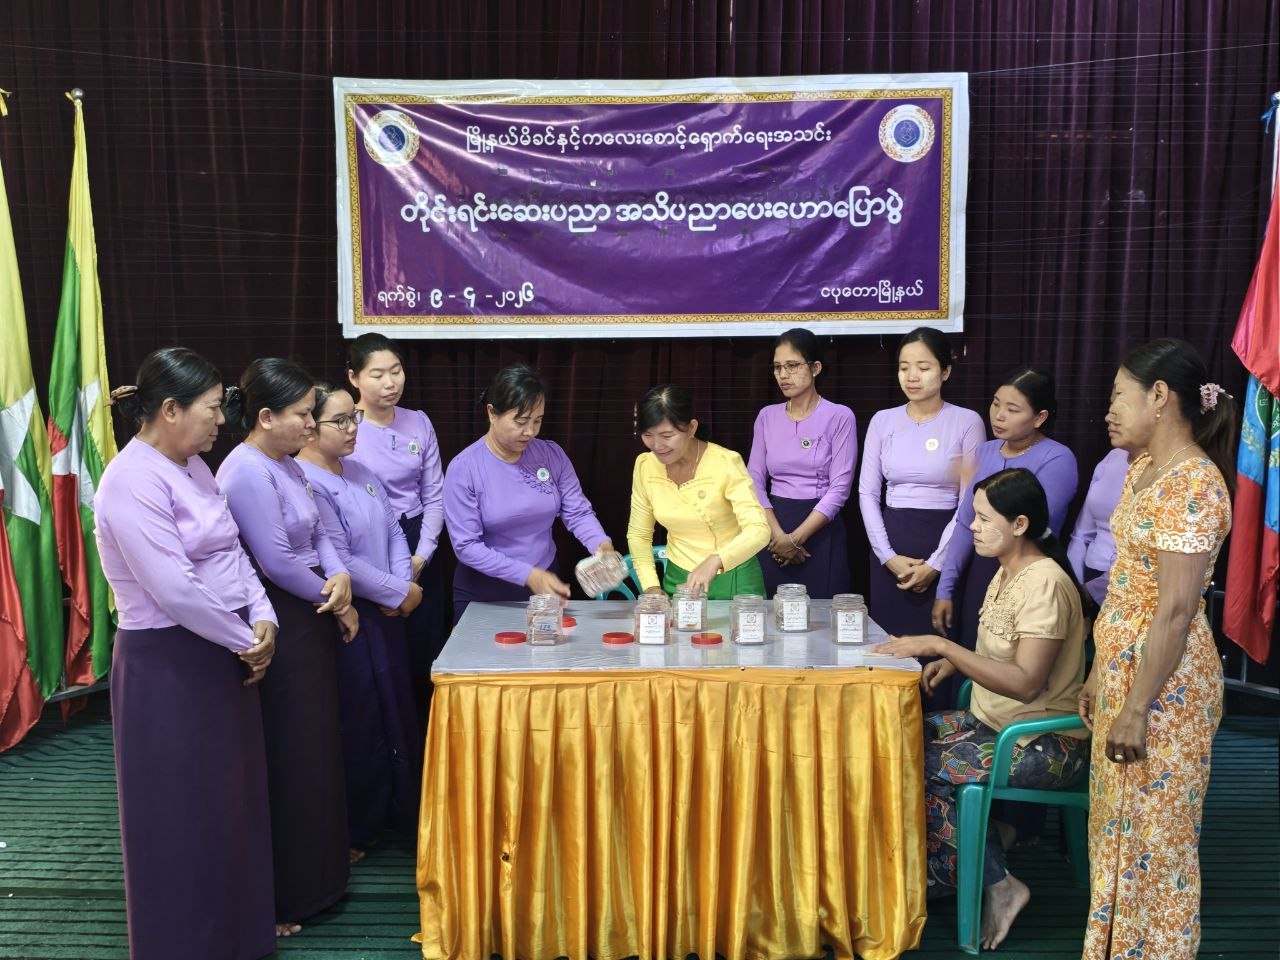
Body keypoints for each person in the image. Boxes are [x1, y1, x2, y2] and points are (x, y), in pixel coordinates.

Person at [95, 347, 277, 960]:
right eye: (211, 408)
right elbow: (173, 589)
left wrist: (264, 617)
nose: (221, 420)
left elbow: (230, 551)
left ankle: (237, 935)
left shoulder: (194, 465)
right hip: (167, 665)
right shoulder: (130, 480)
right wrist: (246, 639)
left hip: (223, 649)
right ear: (170, 410)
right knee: (177, 813)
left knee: (229, 801)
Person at [875, 468, 1089, 951]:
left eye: (984, 518)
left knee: (919, 762)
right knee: (896, 735)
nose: (971, 527)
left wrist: (943, 648)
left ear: (1019, 524)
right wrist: (957, 664)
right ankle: (975, 850)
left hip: (1044, 741)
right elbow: (1004, 651)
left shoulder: (1045, 584)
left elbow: (1027, 683)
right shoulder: (1006, 569)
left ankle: (998, 884)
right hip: (996, 722)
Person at [1077, 339, 1236, 960]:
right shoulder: (1142, 467)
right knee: (1115, 831)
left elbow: (1174, 610)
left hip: (1165, 692)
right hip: (1124, 678)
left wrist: (1138, 707)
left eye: (1120, 395)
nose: (1109, 410)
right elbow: (1125, 586)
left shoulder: (1194, 483)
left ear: (1161, 397)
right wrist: (1099, 672)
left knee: (1157, 845)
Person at [218, 358, 355, 936]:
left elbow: (320, 533)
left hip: (311, 607)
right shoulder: (247, 471)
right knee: (290, 755)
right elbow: (274, 561)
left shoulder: (288, 463)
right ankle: (289, 892)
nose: (311, 424)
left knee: (317, 748)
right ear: (266, 417)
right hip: (281, 617)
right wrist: (338, 600)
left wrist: (340, 575)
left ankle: (322, 876)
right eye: (302, 414)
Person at [296, 382, 422, 858]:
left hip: (390, 609)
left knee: (396, 710)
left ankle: (400, 812)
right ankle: (360, 825)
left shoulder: (361, 469)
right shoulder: (307, 481)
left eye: (355, 418)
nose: (353, 429)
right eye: (342, 421)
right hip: (350, 615)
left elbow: (393, 530)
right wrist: (399, 592)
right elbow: (340, 559)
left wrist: (402, 587)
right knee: (362, 720)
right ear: (310, 427)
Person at [443, 363, 614, 622]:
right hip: (485, 591)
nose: (531, 431)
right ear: (492, 413)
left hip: (544, 583)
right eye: (521, 421)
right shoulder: (464, 468)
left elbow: (577, 512)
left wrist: (601, 545)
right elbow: (466, 546)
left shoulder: (551, 454)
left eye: (538, 420)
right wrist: (528, 575)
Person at [933, 368, 1079, 655]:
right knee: (972, 655)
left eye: (1012, 410)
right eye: (996, 404)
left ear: (1040, 417)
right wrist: (945, 589)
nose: (999, 416)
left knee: (1012, 659)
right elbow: (965, 523)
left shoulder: (1057, 458)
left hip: (1025, 575)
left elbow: (1036, 527)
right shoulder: (984, 452)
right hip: (980, 572)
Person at [858, 327, 986, 635]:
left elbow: (969, 500)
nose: (912, 377)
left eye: (923, 368)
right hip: (889, 544)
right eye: (904, 368)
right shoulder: (882, 420)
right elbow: (867, 493)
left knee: (939, 642)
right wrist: (887, 557)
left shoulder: (967, 421)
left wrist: (937, 564)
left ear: (945, 372)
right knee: (890, 643)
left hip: (946, 541)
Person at [345, 332, 445, 723]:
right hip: (369, 546)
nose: (390, 383)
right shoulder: (345, 426)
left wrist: (422, 556)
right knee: (383, 654)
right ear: (353, 377)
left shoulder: (418, 422)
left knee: (425, 652)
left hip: (420, 541)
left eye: (396, 371)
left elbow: (434, 496)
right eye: (377, 374)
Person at [629, 384, 771, 596]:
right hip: (678, 579)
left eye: (667, 435)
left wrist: (716, 560)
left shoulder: (725, 462)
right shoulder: (645, 465)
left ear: (691, 428)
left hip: (734, 578)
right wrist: (651, 586)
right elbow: (639, 534)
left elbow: (759, 530)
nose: (657, 445)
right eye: (648, 435)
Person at [747, 327, 857, 597]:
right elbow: (753, 480)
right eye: (777, 367)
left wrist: (796, 539)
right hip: (772, 526)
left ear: (815, 368)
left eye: (792, 366)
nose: (783, 375)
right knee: (771, 613)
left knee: (822, 612)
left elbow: (840, 488)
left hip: (819, 527)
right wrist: (778, 536)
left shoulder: (839, 416)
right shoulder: (767, 416)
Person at [1067, 447, 1133, 610]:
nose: (1110, 420)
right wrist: (1073, 587)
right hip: (1089, 573)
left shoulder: (1174, 469)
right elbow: (1081, 535)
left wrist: (1091, 592)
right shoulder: (1115, 456)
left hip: (1131, 590)